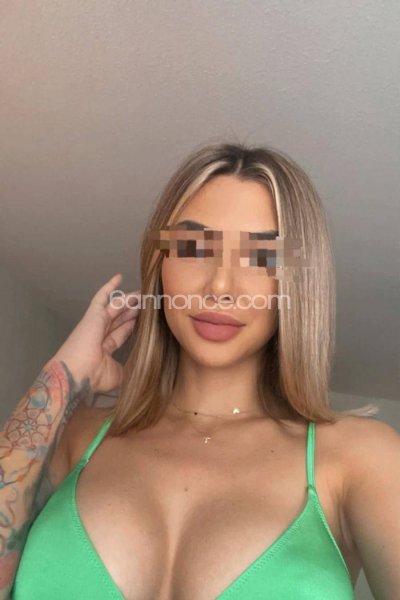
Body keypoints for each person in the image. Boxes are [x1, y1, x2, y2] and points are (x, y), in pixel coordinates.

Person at [1, 143, 399, 600]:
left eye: (262, 257)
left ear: (297, 283)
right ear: (159, 265)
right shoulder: (72, 436)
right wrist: (63, 375)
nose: (221, 286)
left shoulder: (361, 459)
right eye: (193, 247)